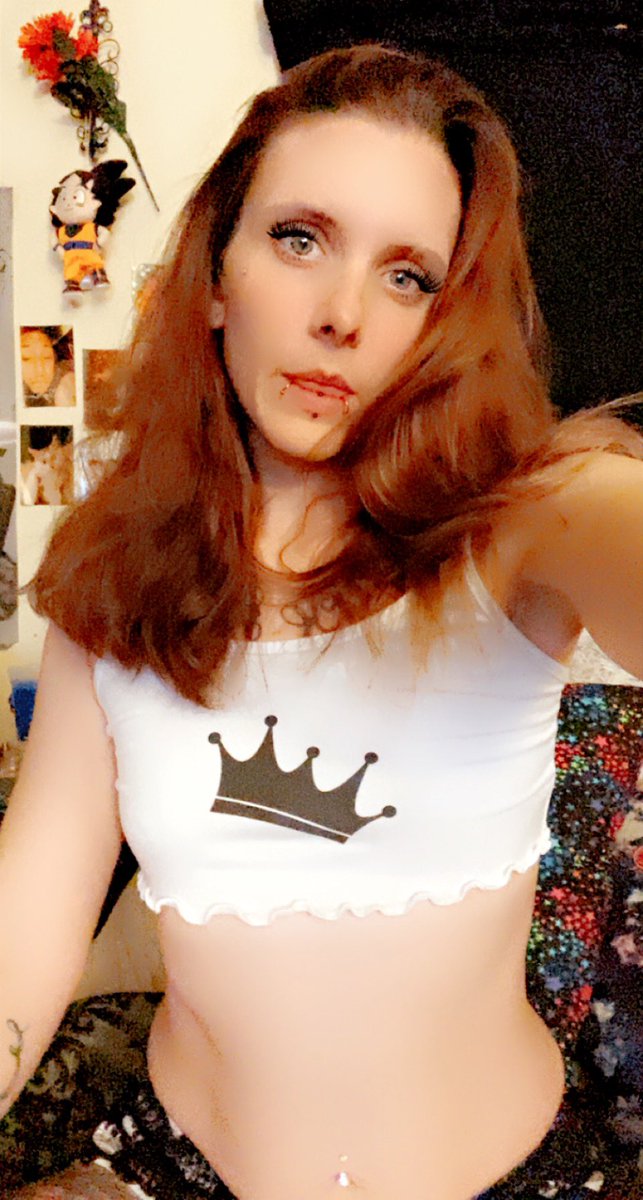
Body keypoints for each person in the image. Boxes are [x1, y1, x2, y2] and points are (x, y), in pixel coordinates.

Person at [1, 43, 642, 1200]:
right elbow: (29, 915)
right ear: (216, 276)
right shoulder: (115, 572)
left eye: (408, 277)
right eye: (299, 239)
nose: (342, 315)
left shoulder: (526, 521)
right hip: (176, 1170)